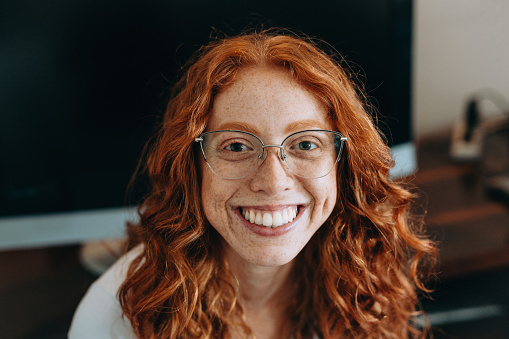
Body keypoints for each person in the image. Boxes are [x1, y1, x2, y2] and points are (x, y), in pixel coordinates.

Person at [69, 29, 436, 338]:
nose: (274, 182)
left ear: (343, 164)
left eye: (306, 144)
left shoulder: (362, 275)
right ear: (190, 166)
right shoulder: (111, 319)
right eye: (237, 146)